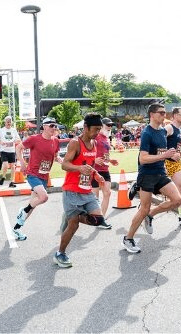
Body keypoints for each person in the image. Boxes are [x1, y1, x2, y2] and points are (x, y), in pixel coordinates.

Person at [122, 103, 181, 254]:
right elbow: (143, 159)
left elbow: (160, 153)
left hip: (160, 173)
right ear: (152, 115)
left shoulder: (163, 131)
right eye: (161, 113)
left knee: (177, 200)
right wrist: (164, 155)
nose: (164, 115)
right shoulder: (146, 133)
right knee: (144, 209)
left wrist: (172, 156)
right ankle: (128, 238)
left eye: (164, 113)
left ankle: (150, 216)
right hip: (147, 174)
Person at [54, 113, 106, 268]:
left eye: (99, 129)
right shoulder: (75, 143)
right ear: (85, 127)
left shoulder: (94, 144)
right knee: (74, 225)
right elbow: (64, 164)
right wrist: (79, 168)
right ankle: (60, 254)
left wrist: (96, 175)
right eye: (95, 129)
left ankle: (69, 215)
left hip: (86, 190)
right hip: (72, 190)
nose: (97, 132)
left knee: (98, 220)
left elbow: (89, 165)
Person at [12, 117, 62, 241]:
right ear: (44, 126)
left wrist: (62, 161)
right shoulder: (34, 139)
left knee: (33, 204)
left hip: (44, 176)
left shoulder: (56, 141)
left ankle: (17, 228)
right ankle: (23, 210)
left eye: (55, 126)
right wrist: (22, 163)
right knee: (44, 197)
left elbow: (56, 156)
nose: (54, 128)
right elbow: (18, 148)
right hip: (33, 174)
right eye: (51, 125)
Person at [91, 117, 119, 229]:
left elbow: (104, 154)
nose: (110, 127)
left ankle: (101, 219)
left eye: (111, 125)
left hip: (105, 170)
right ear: (101, 125)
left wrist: (111, 160)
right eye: (108, 125)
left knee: (107, 193)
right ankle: (93, 216)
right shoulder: (95, 137)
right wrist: (94, 160)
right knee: (95, 197)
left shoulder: (107, 138)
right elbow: (86, 152)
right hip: (94, 170)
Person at [0, 115, 22, 188]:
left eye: (10, 122)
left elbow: (19, 140)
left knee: (13, 166)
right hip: (4, 150)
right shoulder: (1, 130)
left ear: (11, 122)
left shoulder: (14, 130)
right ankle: (3, 177)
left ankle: (12, 181)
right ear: (5, 122)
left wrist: (14, 141)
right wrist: (2, 143)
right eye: (7, 122)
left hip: (12, 150)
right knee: (5, 164)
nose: (8, 123)